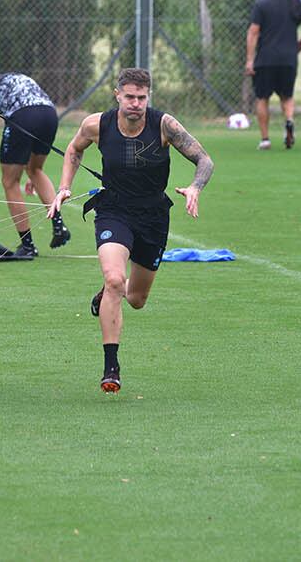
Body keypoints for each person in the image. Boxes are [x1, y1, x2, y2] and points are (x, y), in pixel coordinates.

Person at [46, 67, 214, 393]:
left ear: (148, 97)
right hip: (113, 210)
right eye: (130, 97)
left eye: (142, 97)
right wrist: (64, 187)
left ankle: (108, 294)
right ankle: (111, 367)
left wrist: (195, 187)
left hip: (153, 216)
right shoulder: (97, 124)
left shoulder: (164, 126)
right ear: (117, 95)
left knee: (135, 298)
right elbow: (73, 150)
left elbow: (204, 160)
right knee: (114, 279)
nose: (136, 103)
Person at [0, 72, 71, 258]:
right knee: (34, 169)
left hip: (23, 115)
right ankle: (59, 226)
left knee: (10, 182)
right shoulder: (5, 79)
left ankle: (27, 246)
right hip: (49, 113)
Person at [244, 0, 301, 150]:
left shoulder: (262, 3)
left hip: (266, 58)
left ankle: (265, 139)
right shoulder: (294, 1)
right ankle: (289, 121)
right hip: (288, 58)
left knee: (262, 98)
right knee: (287, 96)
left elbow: (253, 32)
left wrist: (250, 60)